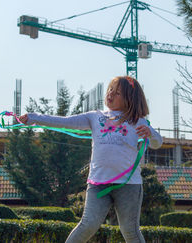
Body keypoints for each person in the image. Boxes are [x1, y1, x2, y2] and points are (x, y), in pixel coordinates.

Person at [19, 76, 162, 243]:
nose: (110, 94)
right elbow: (64, 122)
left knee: (130, 231)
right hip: (97, 183)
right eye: (110, 90)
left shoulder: (138, 121)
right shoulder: (95, 117)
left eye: (117, 93)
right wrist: (34, 117)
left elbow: (157, 143)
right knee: (87, 225)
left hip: (129, 185)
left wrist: (150, 133)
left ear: (130, 98)